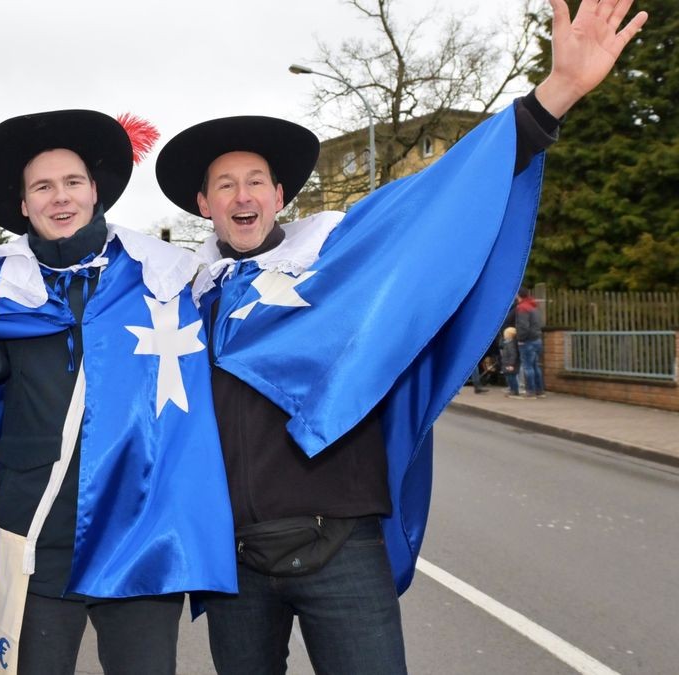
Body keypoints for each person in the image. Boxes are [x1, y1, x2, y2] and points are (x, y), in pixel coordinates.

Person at [152, 1, 645, 672]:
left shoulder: (340, 260)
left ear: (279, 195)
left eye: (256, 181)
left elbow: (440, 203)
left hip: (342, 546)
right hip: (233, 562)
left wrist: (556, 94)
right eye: (225, 185)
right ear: (204, 205)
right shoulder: (177, 304)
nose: (243, 195)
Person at [0, 110, 236, 675]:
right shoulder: (3, 282)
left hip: (141, 527)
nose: (60, 198)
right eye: (42, 187)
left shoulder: (168, 277)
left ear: (95, 192)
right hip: (38, 535)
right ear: (23, 205)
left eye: (72, 182)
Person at [516, 286, 546, 398]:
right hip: (537, 339)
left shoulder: (522, 308)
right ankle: (540, 390)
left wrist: (521, 339)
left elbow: (523, 326)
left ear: (518, 295)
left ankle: (530, 391)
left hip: (527, 340)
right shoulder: (533, 306)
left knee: (528, 367)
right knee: (535, 366)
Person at [501, 326, 522, 398]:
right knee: (509, 378)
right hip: (507, 363)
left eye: (505, 334)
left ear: (508, 335)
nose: (504, 336)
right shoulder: (508, 343)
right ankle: (512, 390)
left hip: (510, 364)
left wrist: (511, 364)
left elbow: (513, 354)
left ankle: (515, 391)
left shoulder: (511, 344)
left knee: (512, 378)